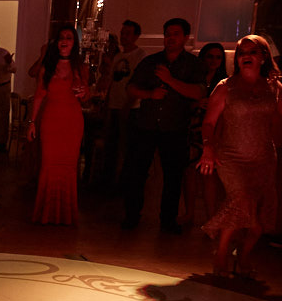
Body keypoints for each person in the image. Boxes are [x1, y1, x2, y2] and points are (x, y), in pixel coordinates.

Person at [198, 35, 282, 276]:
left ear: (263, 57)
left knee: (261, 219)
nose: (246, 56)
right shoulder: (226, 87)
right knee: (241, 201)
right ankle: (221, 255)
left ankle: (243, 255)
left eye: (252, 52)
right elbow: (209, 123)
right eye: (242, 52)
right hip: (232, 157)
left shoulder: (274, 87)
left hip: (264, 158)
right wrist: (208, 147)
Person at [121, 18, 205, 233]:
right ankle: (132, 216)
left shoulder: (192, 65)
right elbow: (131, 88)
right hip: (147, 125)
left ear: (185, 37)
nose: (170, 38)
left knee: (173, 176)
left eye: (176, 34)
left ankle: (168, 220)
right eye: (168, 33)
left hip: (175, 127)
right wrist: (150, 94)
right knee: (137, 173)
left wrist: (169, 80)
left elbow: (198, 92)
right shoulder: (151, 62)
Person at [27, 26, 90, 225]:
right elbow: (38, 95)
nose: (65, 40)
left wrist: (83, 93)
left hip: (72, 120)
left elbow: (86, 96)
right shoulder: (48, 65)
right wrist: (31, 122)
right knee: (48, 164)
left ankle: (66, 214)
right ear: (56, 42)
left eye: (69, 38)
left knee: (68, 167)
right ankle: (47, 213)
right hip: (51, 118)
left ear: (74, 42)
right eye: (61, 37)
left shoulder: (81, 67)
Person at [181, 42, 228, 226]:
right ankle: (189, 213)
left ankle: (211, 218)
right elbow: (181, 102)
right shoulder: (194, 78)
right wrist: (195, 104)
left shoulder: (224, 82)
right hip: (191, 127)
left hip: (212, 129)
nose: (214, 61)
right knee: (189, 172)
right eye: (210, 56)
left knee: (209, 175)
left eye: (218, 57)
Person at [97, 20, 146, 186]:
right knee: (111, 145)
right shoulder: (118, 56)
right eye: (123, 33)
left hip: (131, 108)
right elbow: (111, 82)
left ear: (136, 36)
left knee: (127, 147)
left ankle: (124, 183)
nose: (124, 36)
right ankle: (108, 180)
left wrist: (128, 105)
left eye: (128, 33)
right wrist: (107, 104)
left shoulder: (140, 56)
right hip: (114, 106)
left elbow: (139, 83)